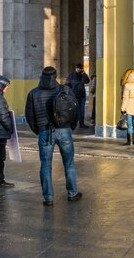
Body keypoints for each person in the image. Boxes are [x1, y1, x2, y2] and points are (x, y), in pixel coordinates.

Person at [25, 66, 82, 206]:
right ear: (55, 76)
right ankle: (72, 193)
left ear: (41, 76)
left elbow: (29, 116)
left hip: (45, 132)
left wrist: (38, 130)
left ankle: (48, 197)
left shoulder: (34, 93)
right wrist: (71, 126)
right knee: (69, 163)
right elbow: (75, 110)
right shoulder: (65, 90)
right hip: (64, 131)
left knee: (45, 165)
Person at [69, 64, 90, 129]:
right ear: (75, 68)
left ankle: (81, 123)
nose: (79, 69)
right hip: (74, 96)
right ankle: (72, 123)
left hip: (82, 96)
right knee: (73, 110)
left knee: (82, 111)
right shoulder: (71, 75)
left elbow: (87, 81)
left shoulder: (83, 75)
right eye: (78, 68)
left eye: (80, 68)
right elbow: (67, 84)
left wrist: (83, 73)